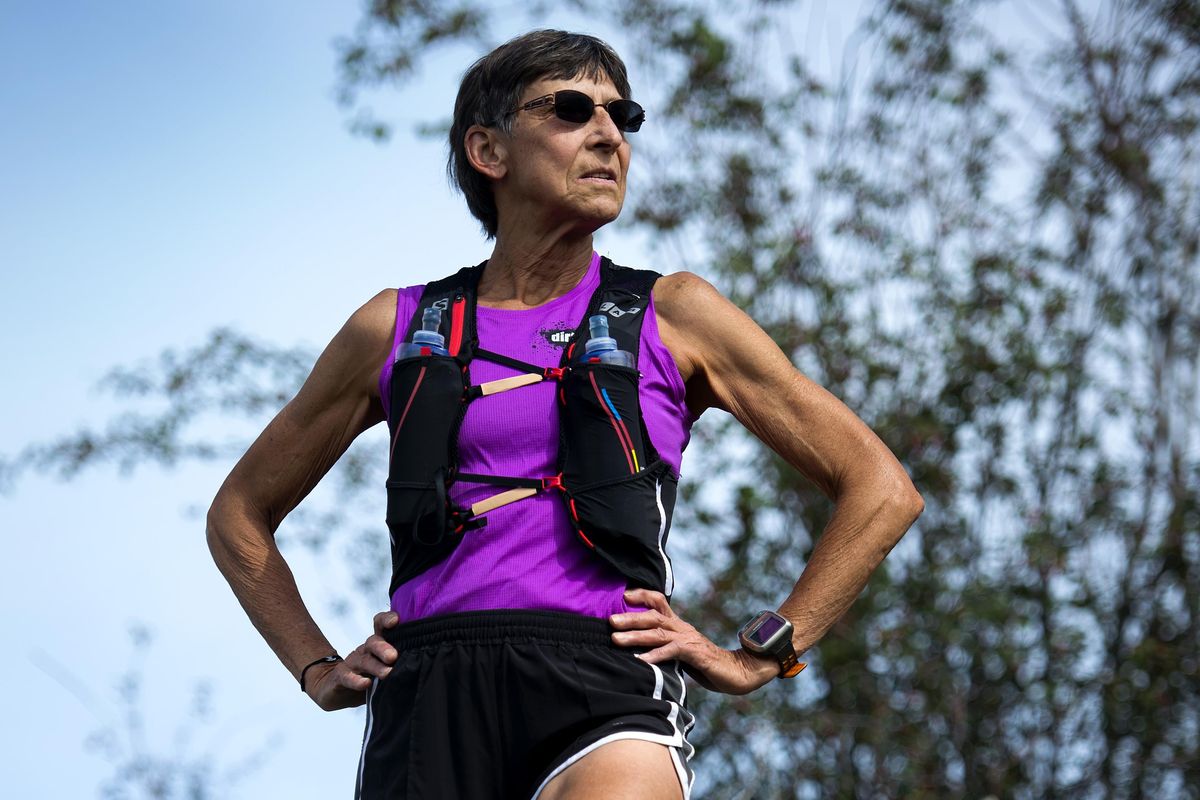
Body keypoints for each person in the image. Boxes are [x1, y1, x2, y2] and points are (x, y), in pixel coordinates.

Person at [206, 29, 923, 800]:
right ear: (489, 149)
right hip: (428, 692)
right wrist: (315, 667)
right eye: (572, 110)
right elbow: (239, 514)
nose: (609, 136)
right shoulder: (397, 327)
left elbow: (881, 488)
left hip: (607, 678)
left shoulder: (674, 314)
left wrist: (762, 653)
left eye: (623, 116)